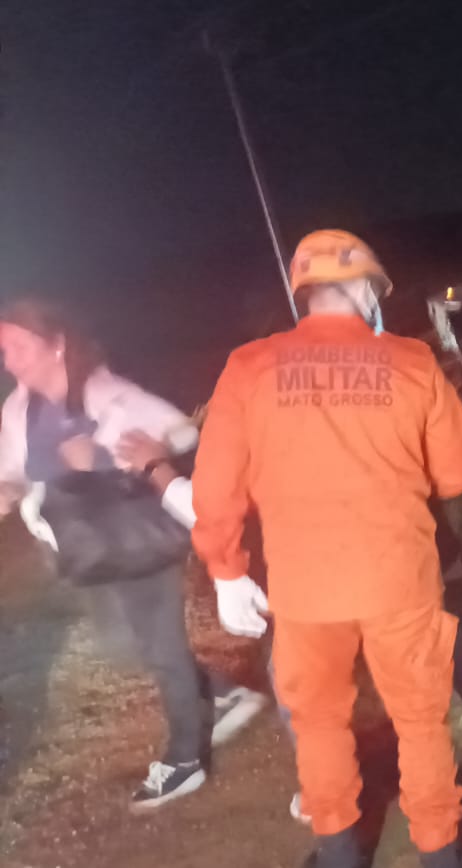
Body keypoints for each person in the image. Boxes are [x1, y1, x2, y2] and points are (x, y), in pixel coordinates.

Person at [191, 230, 462, 868]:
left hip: (304, 588)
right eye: (377, 289)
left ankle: (339, 854)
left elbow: (215, 487)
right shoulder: (412, 361)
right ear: (363, 289)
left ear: (305, 294)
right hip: (401, 580)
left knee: (319, 725)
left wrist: (226, 569)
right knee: (420, 722)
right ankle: (440, 855)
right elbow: (459, 473)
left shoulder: (248, 367)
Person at [115, 434, 462, 824]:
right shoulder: (382, 423)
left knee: (311, 690)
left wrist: (160, 470)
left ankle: (335, 797)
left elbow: (215, 514)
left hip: (373, 595)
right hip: (430, 580)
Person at [0, 298, 268, 811]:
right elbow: (14, 470)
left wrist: (101, 459)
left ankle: (185, 759)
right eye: (5, 351)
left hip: (139, 539)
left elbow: (181, 432)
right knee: (127, 649)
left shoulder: (108, 394)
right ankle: (225, 691)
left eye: (19, 348)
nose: (10, 361)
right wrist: (10, 490)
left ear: (56, 345)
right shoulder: (18, 408)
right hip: (88, 550)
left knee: (161, 649)